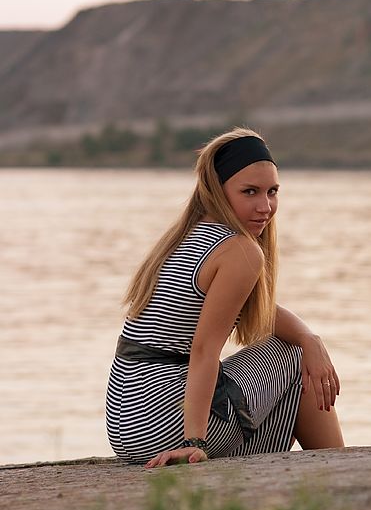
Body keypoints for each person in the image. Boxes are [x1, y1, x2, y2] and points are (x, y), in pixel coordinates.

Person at [106, 127, 344, 468]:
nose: (265, 207)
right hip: (165, 421)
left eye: (272, 192)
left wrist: (310, 337)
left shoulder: (187, 237)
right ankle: (340, 470)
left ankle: (326, 469)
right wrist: (193, 441)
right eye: (250, 192)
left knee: (292, 377)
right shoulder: (239, 251)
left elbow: (260, 310)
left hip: (127, 428)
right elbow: (204, 350)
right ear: (218, 190)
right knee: (290, 356)